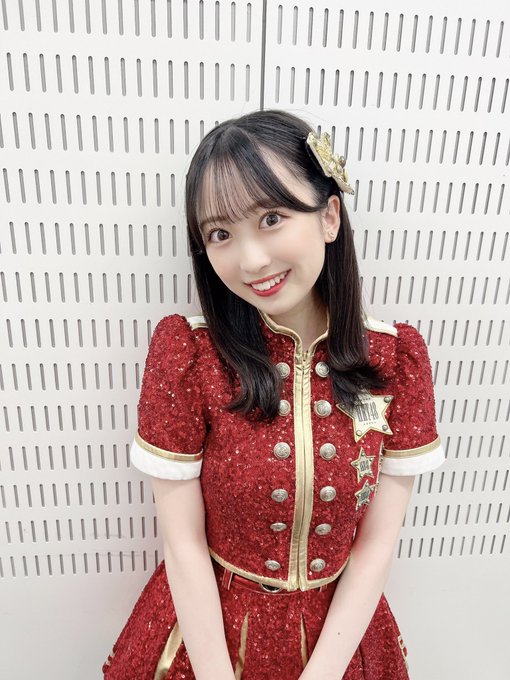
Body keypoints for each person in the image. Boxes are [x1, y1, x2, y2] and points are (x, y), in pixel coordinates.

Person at [102, 109, 445, 680]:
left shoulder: (395, 360)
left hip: (340, 640)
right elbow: (182, 543)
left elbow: (376, 547)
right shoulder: (190, 356)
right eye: (220, 233)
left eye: (271, 217)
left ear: (329, 215)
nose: (252, 260)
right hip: (203, 639)